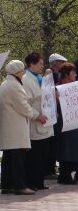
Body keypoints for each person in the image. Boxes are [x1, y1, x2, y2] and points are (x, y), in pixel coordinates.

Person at [0, 60, 41, 195]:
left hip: (9, 127)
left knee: (8, 158)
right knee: (18, 159)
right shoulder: (14, 86)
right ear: (18, 72)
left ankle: (7, 185)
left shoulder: (5, 84)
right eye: (22, 70)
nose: (23, 73)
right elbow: (23, 106)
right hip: (16, 127)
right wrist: (36, 115)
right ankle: (20, 186)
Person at [23, 52, 53, 190]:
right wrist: (36, 115)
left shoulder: (40, 78)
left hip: (45, 122)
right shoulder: (26, 80)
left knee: (43, 155)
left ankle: (39, 182)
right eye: (40, 64)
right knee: (34, 156)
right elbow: (25, 103)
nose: (42, 66)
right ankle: (32, 182)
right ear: (31, 64)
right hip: (36, 123)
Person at [56, 63, 78, 185]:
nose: (76, 75)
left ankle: (70, 173)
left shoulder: (75, 87)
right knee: (65, 149)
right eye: (73, 73)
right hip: (64, 124)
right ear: (66, 74)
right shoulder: (58, 88)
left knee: (75, 149)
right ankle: (64, 175)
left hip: (75, 123)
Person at [45, 53, 68, 179]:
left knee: (56, 142)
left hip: (59, 111)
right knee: (51, 141)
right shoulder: (49, 75)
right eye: (61, 62)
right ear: (55, 63)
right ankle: (48, 169)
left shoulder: (60, 75)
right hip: (52, 112)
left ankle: (52, 168)